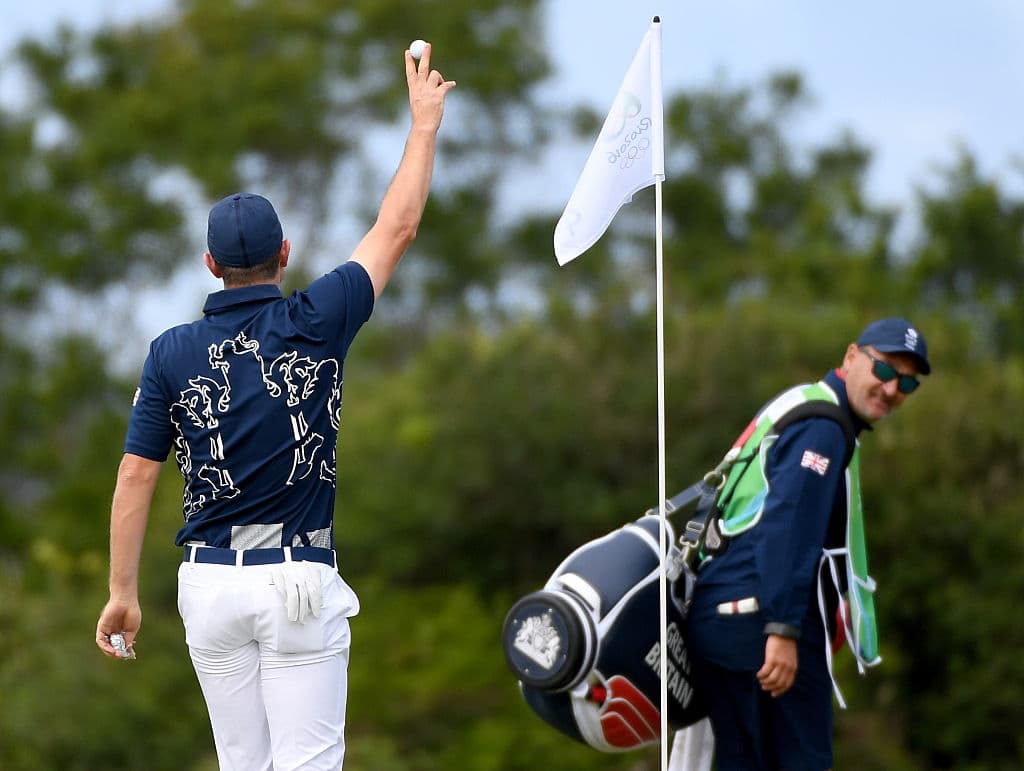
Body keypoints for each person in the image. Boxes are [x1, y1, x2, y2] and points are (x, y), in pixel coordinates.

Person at [95, 44, 455, 770]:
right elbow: (396, 228)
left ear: (209, 265)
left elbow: (137, 476)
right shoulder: (316, 319)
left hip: (208, 587)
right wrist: (422, 127)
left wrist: (122, 593)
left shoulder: (170, 351)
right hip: (296, 580)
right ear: (283, 253)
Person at [682, 318, 930, 771]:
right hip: (757, 625)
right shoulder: (824, 426)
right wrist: (783, 628)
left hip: (723, 616)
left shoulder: (805, 404)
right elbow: (789, 523)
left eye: (907, 382)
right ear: (852, 356)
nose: (893, 389)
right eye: (884, 370)